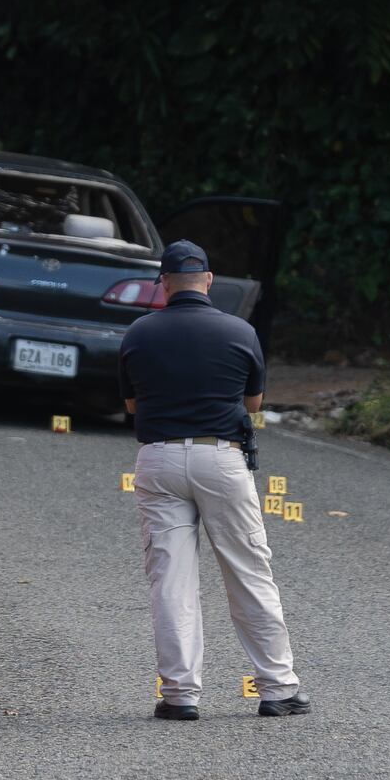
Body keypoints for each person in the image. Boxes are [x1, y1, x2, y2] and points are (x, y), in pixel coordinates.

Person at [119, 239, 309, 720]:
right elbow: (253, 404)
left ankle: (180, 696)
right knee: (248, 571)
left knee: (171, 579)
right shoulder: (239, 331)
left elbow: (131, 406)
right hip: (220, 457)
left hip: (158, 459)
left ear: (163, 284)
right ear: (207, 280)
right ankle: (278, 689)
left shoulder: (138, 334)